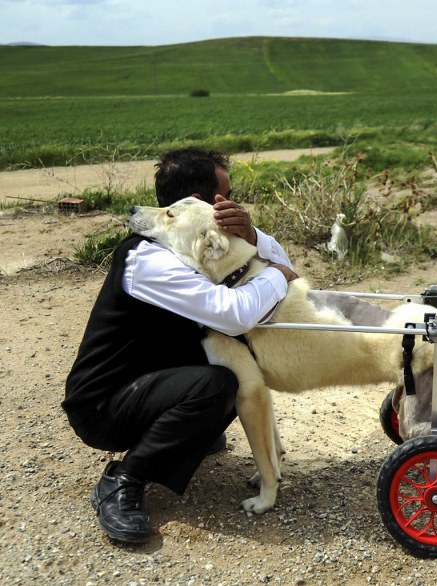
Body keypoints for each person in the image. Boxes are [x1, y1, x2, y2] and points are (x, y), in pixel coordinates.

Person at [63, 147, 298, 544]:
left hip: (151, 384)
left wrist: (251, 235)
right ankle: (123, 481)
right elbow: (235, 312)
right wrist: (276, 275)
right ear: (200, 204)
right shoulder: (150, 259)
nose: (233, 202)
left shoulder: (194, 245)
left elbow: (277, 269)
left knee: (236, 362)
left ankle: (186, 436)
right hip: (105, 405)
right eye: (225, 196)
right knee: (219, 384)